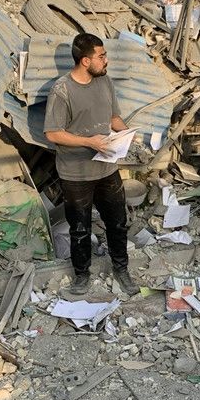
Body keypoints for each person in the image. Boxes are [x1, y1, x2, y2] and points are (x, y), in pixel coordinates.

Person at [44, 32, 139, 296]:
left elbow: (113, 118)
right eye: (101, 56)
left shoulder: (104, 81)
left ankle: (121, 269)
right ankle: (82, 275)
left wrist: (127, 134)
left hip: (107, 168)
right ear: (85, 61)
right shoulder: (62, 90)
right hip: (76, 174)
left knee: (117, 223)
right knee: (80, 229)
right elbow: (52, 133)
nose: (106, 60)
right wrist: (89, 142)